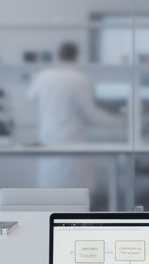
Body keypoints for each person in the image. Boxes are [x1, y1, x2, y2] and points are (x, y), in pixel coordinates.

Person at [26, 41, 117, 190]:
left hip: (48, 138)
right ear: (76, 56)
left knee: (50, 190)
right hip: (70, 141)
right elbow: (90, 114)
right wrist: (111, 119)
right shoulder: (78, 78)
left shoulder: (44, 76)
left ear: (59, 55)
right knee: (73, 192)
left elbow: (31, 98)